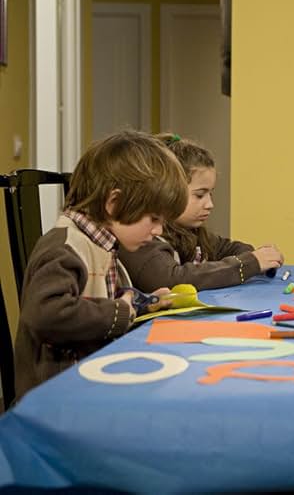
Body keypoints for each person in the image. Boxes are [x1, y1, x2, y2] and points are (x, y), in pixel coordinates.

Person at [14, 131, 189, 399]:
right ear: (114, 203)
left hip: (86, 383)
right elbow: (45, 312)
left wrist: (145, 302)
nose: (158, 231)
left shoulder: (104, 244)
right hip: (58, 398)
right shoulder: (65, 247)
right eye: (153, 218)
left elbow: (102, 298)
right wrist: (120, 313)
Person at [119, 134, 284, 292]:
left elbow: (226, 248)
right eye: (199, 195)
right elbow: (171, 279)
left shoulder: (191, 232)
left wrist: (257, 256)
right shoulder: (142, 235)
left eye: (210, 194)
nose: (210, 204)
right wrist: (247, 264)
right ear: (168, 191)